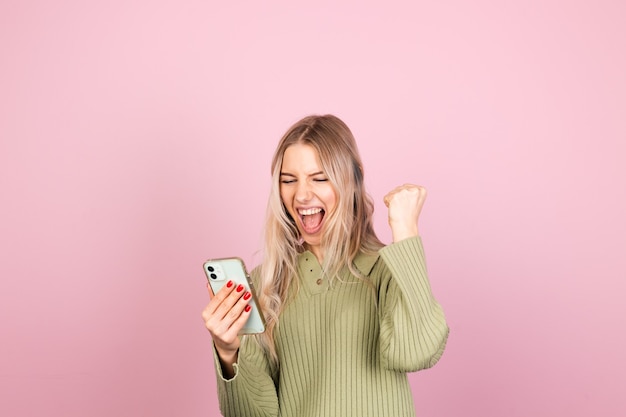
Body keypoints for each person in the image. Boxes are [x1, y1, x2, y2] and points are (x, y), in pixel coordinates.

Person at [202, 114, 449, 417]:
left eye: (319, 178)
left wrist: (406, 230)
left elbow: (417, 351)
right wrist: (228, 352)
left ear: (354, 179)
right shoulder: (266, 284)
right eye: (288, 180)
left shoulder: (386, 269)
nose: (302, 195)